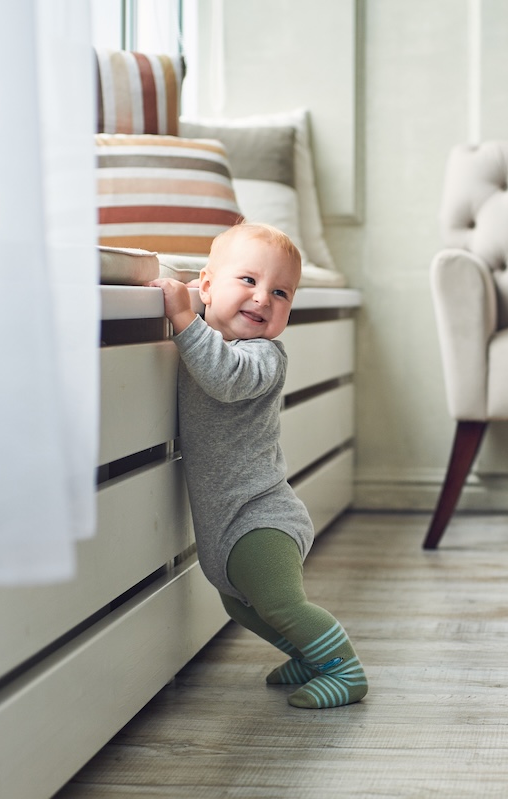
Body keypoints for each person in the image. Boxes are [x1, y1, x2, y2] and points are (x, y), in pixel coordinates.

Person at [147, 223, 367, 709]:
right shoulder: (210, 338)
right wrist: (192, 314)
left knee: (282, 605)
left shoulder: (264, 356)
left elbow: (224, 378)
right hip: (225, 524)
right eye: (248, 280)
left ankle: (344, 670)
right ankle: (311, 656)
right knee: (242, 607)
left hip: (260, 519)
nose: (263, 298)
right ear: (207, 286)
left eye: (280, 293)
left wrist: (183, 317)